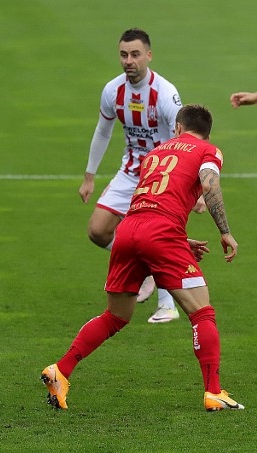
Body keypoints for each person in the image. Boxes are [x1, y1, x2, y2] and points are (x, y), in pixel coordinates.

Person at [42, 104, 244, 412]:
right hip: (161, 232)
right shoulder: (208, 150)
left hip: (129, 229)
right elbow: (210, 184)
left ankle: (61, 370)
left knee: (115, 316)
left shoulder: (156, 153)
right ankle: (214, 392)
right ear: (206, 132)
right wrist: (225, 231)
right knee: (202, 313)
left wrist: (180, 239)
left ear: (177, 128)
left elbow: (151, 199)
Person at [79, 28, 191, 323]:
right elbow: (103, 131)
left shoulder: (165, 94)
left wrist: (195, 186)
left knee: (158, 237)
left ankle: (168, 306)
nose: (129, 60)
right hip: (130, 173)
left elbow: (185, 139)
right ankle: (145, 270)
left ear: (148, 56)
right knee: (97, 230)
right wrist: (89, 176)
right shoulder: (113, 90)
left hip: (162, 176)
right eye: (124, 54)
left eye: (135, 54)